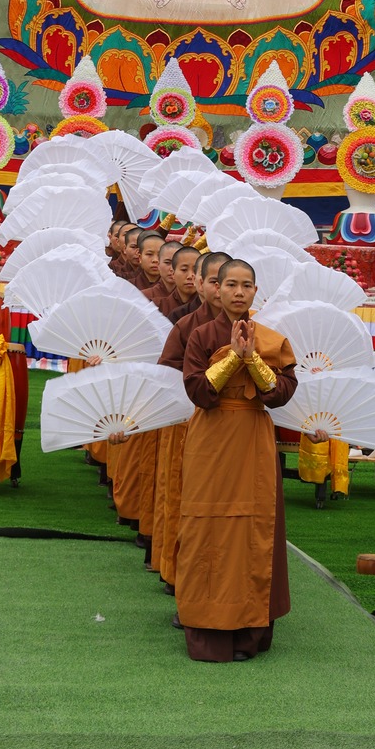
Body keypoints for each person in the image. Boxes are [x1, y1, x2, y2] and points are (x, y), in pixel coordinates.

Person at [176, 257, 298, 662]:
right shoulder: (200, 335)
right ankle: (207, 628)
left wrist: (252, 358)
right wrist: (234, 357)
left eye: (246, 285)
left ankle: (249, 633)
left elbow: (281, 393)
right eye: (231, 284)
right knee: (204, 525)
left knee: (253, 528)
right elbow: (197, 390)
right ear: (217, 288)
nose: (238, 292)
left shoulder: (270, 339)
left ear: (255, 292)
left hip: (252, 439)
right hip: (210, 439)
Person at [153, 250, 225, 593]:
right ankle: (176, 570)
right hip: (188, 422)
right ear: (200, 283)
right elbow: (167, 374)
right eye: (215, 282)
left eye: (232, 284)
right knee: (182, 498)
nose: (224, 290)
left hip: (232, 430)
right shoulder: (185, 324)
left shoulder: (253, 330)